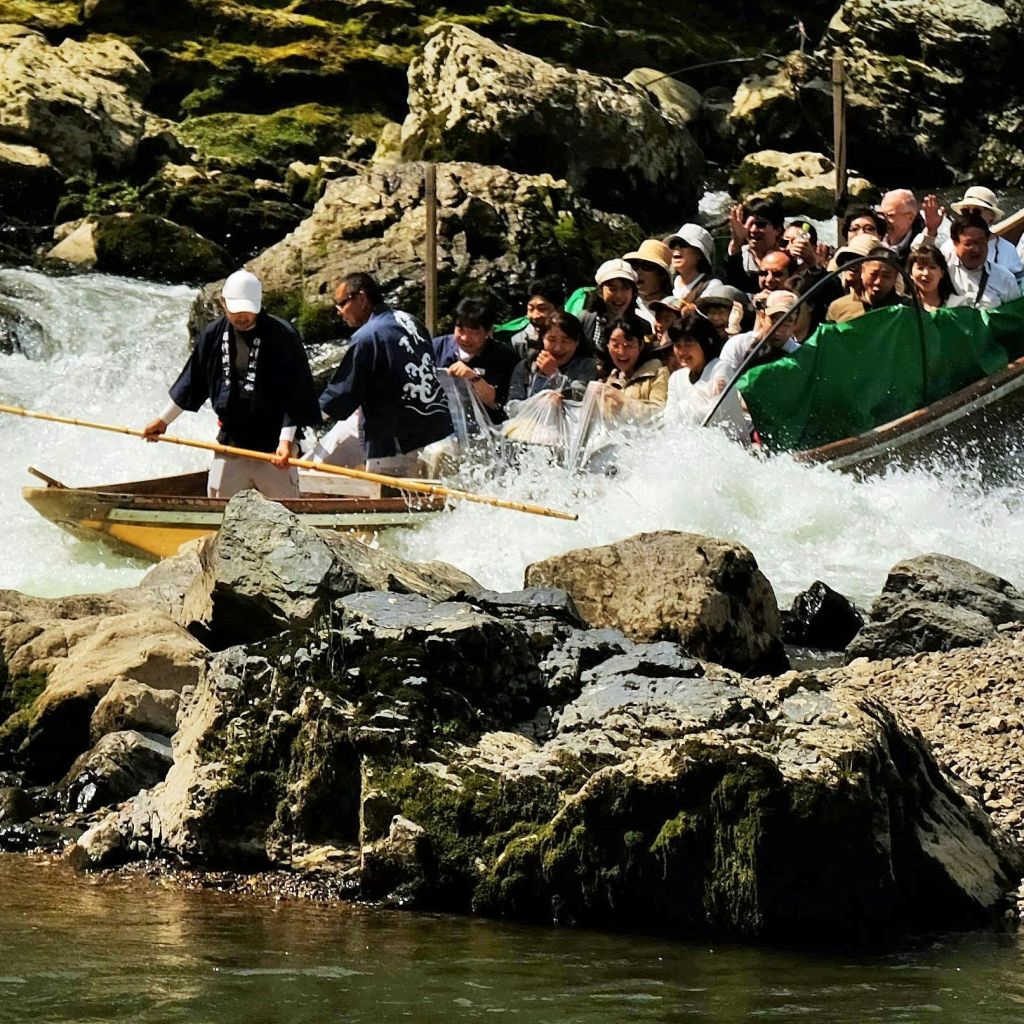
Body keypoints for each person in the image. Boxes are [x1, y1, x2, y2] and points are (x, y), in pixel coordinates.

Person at [142, 269, 320, 499]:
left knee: (285, 513)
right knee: (222, 510)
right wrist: (163, 421)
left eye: (249, 311)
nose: (243, 317)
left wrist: (285, 441)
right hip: (231, 443)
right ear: (223, 303)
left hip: (273, 446)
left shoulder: (282, 334)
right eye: (237, 312)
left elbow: (295, 392)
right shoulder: (213, 334)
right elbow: (193, 381)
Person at [319, 272, 453, 477]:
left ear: (362, 299)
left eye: (342, 303)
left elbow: (343, 392)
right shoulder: (411, 320)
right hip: (439, 428)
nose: (339, 312)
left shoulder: (368, 336)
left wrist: (309, 415)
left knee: (391, 501)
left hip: (397, 440)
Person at [665, 311, 749, 438]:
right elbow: (669, 420)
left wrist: (682, 411)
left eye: (688, 344)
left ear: (705, 343)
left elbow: (715, 415)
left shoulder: (720, 368)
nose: (682, 351)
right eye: (677, 345)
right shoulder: (676, 378)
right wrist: (705, 396)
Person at [433, 298, 518, 422]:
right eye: (460, 330)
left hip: (488, 427)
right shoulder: (436, 347)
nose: (465, 338)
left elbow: (498, 403)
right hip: (442, 425)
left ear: (488, 332)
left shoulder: (505, 357)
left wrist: (473, 378)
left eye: (474, 332)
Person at [713, 290, 803, 394]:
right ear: (762, 317)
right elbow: (724, 382)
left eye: (786, 325)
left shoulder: (799, 356)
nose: (778, 331)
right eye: (773, 322)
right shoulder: (738, 345)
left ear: (795, 325)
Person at [506, 310, 597, 406]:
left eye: (565, 341)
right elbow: (512, 404)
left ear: (577, 342)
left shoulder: (586, 365)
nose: (558, 348)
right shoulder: (526, 366)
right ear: (542, 338)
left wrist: (554, 376)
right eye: (552, 340)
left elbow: (579, 399)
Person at [943, 186, 1023, 286]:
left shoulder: (1007, 250)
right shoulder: (949, 246)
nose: (971, 215)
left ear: (991, 216)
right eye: (966, 211)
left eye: (977, 211)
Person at [944, 212, 1021, 309]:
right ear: (955, 243)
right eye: (969, 244)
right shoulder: (943, 274)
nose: (976, 249)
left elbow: (1017, 317)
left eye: (981, 242)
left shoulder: (1005, 279)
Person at [600, 317, 670, 415]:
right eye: (615, 345)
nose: (621, 352)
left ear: (641, 345)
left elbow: (659, 414)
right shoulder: (608, 379)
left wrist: (624, 401)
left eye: (628, 345)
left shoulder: (658, 374)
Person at [825, 247, 909, 322]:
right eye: (873, 274)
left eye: (886, 276)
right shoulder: (839, 307)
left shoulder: (907, 310)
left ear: (895, 278)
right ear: (863, 271)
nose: (878, 282)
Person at [580, 259, 642, 357]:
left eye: (625, 288)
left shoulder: (642, 326)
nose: (619, 295)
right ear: (600, 291)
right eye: (613, 289)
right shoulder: (585, 320)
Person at [725, 198, 784, 293]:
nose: (753, 230)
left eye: (760, 225)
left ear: (777, 229)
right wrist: (737, 242)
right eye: (749, 224)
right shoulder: (738, 256)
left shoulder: (788, 259)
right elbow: (734, 287)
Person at [508, 278, 565, 359]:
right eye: (530, 309)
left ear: (560, 309)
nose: (535, 316)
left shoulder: (573, 338)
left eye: (542, 309)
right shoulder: (518, 342)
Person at [665, 224, 721, 303]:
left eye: (683, 244)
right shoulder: (667, 283)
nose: (677, 248)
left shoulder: (712, 286)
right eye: (673, 244)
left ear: (699, 254)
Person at [624, 239, 674, 325]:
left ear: (662, 274)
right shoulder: (624, 305)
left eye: (646, 266)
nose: (638, 272)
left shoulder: (675, 307)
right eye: (635, 266)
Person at [907, 242, 967, 311]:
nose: (926, 273)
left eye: (932, 267)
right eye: (920, 268)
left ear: (942, 272)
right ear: (910, 273)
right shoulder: (902, 307)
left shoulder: (957, 305)